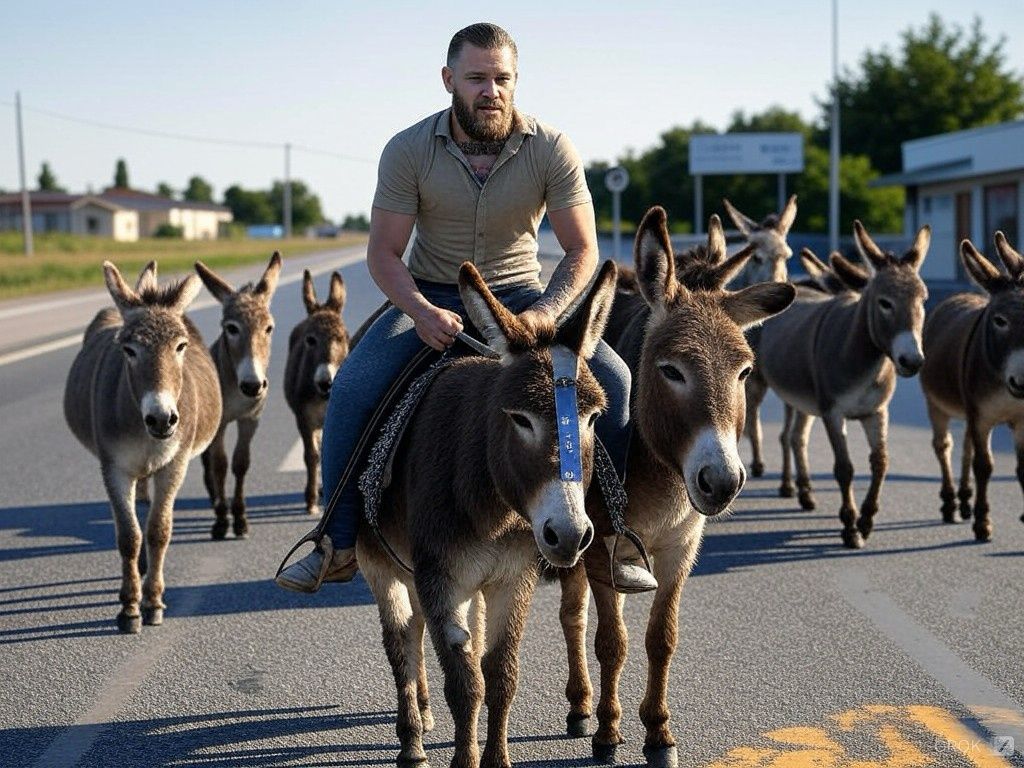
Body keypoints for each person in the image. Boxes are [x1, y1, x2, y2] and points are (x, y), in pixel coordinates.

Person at [275, 22, 656, 594]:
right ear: (449, 79)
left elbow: (583, 250)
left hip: (527, 300)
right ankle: (337, 541)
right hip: (430, 295)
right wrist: (421, 311)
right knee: (354, 387)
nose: (492, 91)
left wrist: (549, 310)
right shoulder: (407, 149)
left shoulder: (552, 148)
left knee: (617, 381)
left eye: (503, 78)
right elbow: (383, 254)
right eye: (477, 78)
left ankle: (613, 537)